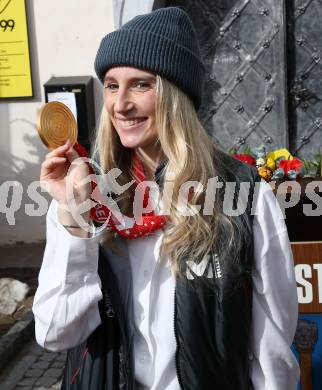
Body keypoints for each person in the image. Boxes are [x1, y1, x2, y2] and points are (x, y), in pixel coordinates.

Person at [33, 7, 300, 390]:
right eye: (111, 84)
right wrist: (72, 216)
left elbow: (271, 346)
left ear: (176, 94)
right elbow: (56, 332)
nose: (120, 104)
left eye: (140, 84)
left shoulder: (242, 194)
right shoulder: (85, 191)